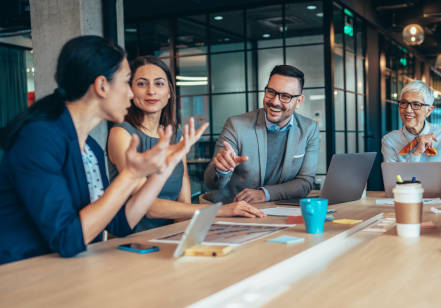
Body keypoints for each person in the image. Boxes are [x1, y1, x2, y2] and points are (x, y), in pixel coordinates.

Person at [0, 36, 206, 264]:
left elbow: (119, 223)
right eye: (128, 82)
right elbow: (67, 239)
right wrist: (131, 175)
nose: (131, 93)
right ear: (101, 86)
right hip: (23, 275)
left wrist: (163, 170)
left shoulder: (91, 148)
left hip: (71, 268)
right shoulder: (38, 139)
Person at [107, 56, 264, 232]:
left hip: (169, 234)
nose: (151, 91)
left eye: (159, 84)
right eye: (142, 84)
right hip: (131, 239)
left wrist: (182, 236)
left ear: (169, 92)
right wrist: (220, 210)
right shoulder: (121, 134)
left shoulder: (176, 134)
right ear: (130, 91)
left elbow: (184, 197)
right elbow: (147, 206)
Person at [203, 65, 319, 204]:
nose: (275, 102)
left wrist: (264, 194)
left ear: (298, 101)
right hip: (234, 212)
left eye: (285, 96)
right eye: (271, 92)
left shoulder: (309, 129)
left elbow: (305, 182)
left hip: (279, 212)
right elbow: (212, 183)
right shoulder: (236, 125)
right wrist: (221, 170)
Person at [381, 80, 441, 187]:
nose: (408, 110)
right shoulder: (389, 141)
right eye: (404, 103)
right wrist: (417, 153)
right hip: (406, 200)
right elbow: (394, 183)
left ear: (429, 110)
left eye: (416, 104)